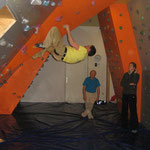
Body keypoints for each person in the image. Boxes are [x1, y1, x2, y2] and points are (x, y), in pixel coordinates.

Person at [120, 62, 140, 133]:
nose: (129, 66)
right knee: (124, 109)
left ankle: (134, 127)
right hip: (125, 94)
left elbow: (134, 83)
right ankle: (124, 125)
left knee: (133, 110)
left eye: (131, 65)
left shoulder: (136, 75)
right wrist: (129, 84)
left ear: (134, 68)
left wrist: (134, 74)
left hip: (132, 94)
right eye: (129, 65)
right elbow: (121, 83)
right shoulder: (125, 74)